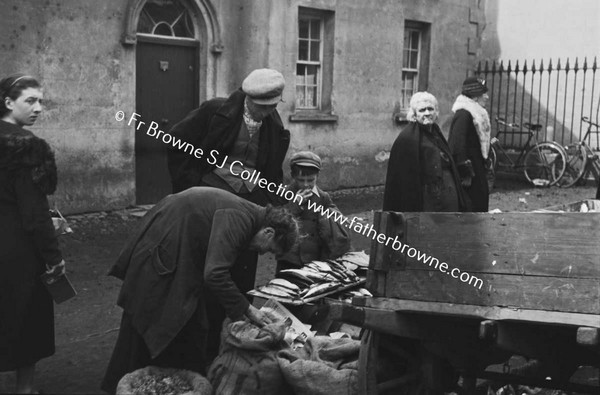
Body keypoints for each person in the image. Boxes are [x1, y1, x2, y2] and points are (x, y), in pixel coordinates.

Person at [101, 187, 299, 394]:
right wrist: (248, 310)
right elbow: (215, 273)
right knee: (150, 315)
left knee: (189, 322)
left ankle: (184, 380)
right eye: (269, 249)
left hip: (176, 244)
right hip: (164, 248)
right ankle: (128, 383)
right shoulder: (240, 218)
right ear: (269, 232)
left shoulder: (248, 215)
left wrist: (237, 310)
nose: (262, 253)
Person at [0, 74, 66, 394]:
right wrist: (54, 258)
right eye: (30, 100)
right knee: (26, 315)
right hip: (17, 249)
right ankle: (24, 388)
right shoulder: (27, 147)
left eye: (41, 101)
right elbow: (35, 215)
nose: (39, 108)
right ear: (8, 102)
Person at [167, 68, 290, 206]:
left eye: (272, 106)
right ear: (248, 99)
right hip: (213, 188)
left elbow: (273, 169)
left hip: (253, 194)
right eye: (261, 107)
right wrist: (191, 181)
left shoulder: (274, 125)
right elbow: (175, 140)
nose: (267, 112)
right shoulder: (215, 110)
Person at [383, 91, 468, 212]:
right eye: (422, 110)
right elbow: (404, 177)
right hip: (426, 197)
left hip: (447, 193)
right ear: (414, 114)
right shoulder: (407, 138)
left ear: (436, 111)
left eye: (430, 109)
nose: (427, 113)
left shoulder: (435, 131)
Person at [276, 151, 351, 273]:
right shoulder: (283, 194)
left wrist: (330, 217)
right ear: (293, 176)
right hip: (289, 259)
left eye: (311, 180)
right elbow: (276, 221)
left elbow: (337, 220)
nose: (306, 185)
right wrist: (294, 204)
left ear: (318, 176)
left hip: (314, 258)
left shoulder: (323, 197)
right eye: (301, 180)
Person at [448, 77, 492, 212]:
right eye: (484, 93)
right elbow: (457, 145)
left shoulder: (474, 113)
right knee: (472, 207)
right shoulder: (464, 114)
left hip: (476, 169)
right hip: (469, 176)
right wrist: (465, 172)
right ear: (475, 96)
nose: (487, 97)